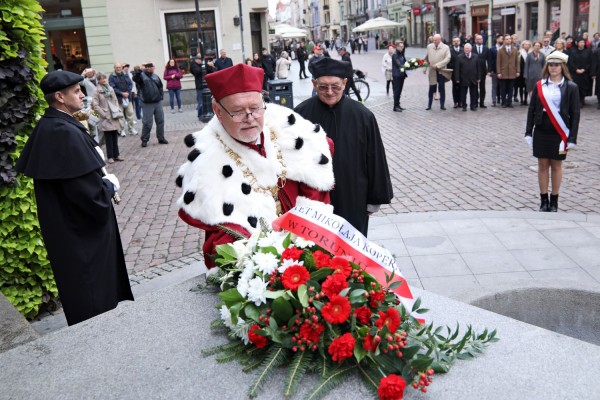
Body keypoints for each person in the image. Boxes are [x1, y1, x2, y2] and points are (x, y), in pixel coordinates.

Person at [175, 63, 334, 267]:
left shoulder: (290, 132)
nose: (250, 119)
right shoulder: (207, 164)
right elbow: (222, 241)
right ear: (218, 111)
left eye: (255, 108)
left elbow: (315, 189)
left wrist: (308, 231)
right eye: (238, 111)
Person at [15, 70, 134, 326]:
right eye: (76, 92)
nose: (83, 95)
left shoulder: (55, 125)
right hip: (80, 235)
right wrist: (109, 186)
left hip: (69, 231)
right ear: (59, 96)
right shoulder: (62, 132)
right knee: (92, 299)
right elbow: (89, 197)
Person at [295, 57, 394, 235]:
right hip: (312, 199)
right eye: (323, 87)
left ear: (345, 83)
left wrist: (375, 198)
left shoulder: (363, 116)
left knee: (352, 254)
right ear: (313, 84)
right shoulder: (300, 114)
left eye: (336, 86)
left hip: (353, 196)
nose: (330, 92)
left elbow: (375, 158)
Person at [524, 51, 580, 212]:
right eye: (551, 64)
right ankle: (543, 200)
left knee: (556, 165)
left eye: (557, 65)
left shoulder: (571, 87)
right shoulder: (539, 85)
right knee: (542, 165)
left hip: (560, 132)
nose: (553, 67)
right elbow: (532, 109)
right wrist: (528, 131)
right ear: (547, 66)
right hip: (542, 130)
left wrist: (572, 138)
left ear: (562, 67)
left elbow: (575, 114)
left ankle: (554, 200)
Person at [132, 62, 167, 147]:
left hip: (157, 101)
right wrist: (140, 70)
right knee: (147, 122)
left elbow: (160, 86)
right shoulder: (141, 75)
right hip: (147, 102)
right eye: (147, 67)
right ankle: (144, 139)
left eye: (150, 67)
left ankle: (161, 138)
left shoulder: (155, 76)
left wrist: (161, 96)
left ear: (153, 68)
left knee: (160, 121)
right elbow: (135, 78)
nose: (149, 68)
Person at [92, 72, 124, 163]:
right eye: (102, 78)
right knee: (108, 137)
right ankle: (110, 156)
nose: (104, 80)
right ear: (98, 80)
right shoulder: (96, 90)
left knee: (115, 135)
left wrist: (117, 109)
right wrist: (103, 114)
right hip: (106, 116)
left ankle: (116, 155)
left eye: (105, 78)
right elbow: (95, 105)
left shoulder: (110, 88)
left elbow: (115, 100)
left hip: (114, 114)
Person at [424, 34, 451, 110]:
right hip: (432, 71)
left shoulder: (445, 47)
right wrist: (424, 69)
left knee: (441, 88)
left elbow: (448, 58)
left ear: (439, 40)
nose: (434, 41)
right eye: (433, 40)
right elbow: (426, 58)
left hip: (441, 71)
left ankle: (442, 105)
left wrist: (439, 65)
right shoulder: (429, 47)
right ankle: (429, 105)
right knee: (431, 88)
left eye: (435, 40)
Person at [108, 63, 136, 136]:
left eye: (119, 67)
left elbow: (130, 84)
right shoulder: (112, 76)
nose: (118, 68)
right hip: (118, 98)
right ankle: (122, 130)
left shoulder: (125, 74)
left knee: (130, 113)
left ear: (121, 67)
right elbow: (112, 87)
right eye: (116, 67)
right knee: (120, 116)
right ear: (114, 68)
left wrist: (127, 92)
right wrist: (121, 93)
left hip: (127, 97)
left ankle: (131, 129)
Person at [568, 38, 593, 106]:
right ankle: (577, 101)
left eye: (583, 42)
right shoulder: (572, 51)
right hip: (575, 73)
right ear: (577, 43)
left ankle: (582, 99)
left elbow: (590, 62)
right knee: (576, 86)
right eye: (580, 42)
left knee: (584, 87)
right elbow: (570, 62)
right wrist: (576, 69)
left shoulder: (588, 51)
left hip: (585, 73)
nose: (582, 44)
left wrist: (584, 69)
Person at [497, 34, 520, 108]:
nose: (508, 40)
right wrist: (499, 72)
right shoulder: (500, 50)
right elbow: (498, 62)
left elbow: (517, 61)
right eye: (506, 39)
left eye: (509, 39)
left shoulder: (515, 49)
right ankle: (503, 102)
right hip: (503, 72)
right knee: (503, 89)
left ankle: (509, 102)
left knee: (511, 88)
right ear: (503, 40)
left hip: (512, 72)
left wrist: (518, 71)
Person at [455, 43, 480, 111]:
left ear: (471, 49)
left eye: (468, 48)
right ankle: (464, 106)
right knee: (463, 94)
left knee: (473, 94)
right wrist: (457, 78)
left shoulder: (476, 56)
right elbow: (457, 69)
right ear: (464, 49)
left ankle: (473, 106)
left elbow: (478, 68)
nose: (467, 50)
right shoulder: (459, 57)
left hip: (473, 78)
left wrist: (478, 78)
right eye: (465, 48)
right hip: (463, 78)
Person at [473, 34, 489, 108]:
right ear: (475, 40)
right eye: (478, 39)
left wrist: (489, 70)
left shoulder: (486, 49)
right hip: (474, 70)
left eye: (481, 39)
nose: (479, 40)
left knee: (482, 87)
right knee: (475, 87)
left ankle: (482, 102)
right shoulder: (472, 48)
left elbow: (489, 60)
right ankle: (475, 101)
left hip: (483, 71)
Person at [391, 41, 408, 112]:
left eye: (403, 46)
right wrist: (405, 66)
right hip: (396, 76)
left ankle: (398, 105)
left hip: (401, 75)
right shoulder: (395, 55)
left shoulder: (401, 54)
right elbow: (398, 64)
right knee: (396, 91)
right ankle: (395, 106)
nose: (402, 48)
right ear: (397, 47)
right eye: (401, 46)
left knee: (399, 91)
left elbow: (404, 62)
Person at [489, 35, 503, 107]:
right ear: (497, 39)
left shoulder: (504, 49)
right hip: (494, 70)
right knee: (494, 86)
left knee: (502, 86)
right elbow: (490, 60)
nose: (502, 40)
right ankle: (494, 100)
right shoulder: (492, 49)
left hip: (503, 70)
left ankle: (501, 98)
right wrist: (490, 70)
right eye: (501, 39)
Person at [516, 40, 532, 105]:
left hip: (529, 72)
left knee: (526, 87)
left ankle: (525, 99)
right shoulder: (520, 53)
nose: (527, 46)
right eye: (525, 44)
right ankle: (521, 99)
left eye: (528, 44)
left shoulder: (531, 53)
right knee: (521, 86)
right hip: (521, 71)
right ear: (523, 45)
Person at [449, 37, 463, 108]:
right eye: (454, 41)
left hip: (462, 72)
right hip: (454, 72)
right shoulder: (450, 51)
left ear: (459, 42)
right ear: (452, 43)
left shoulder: (463, 50)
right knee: (454, 87)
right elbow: (448, 62)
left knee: (461, 87)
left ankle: (460, 101)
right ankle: (455, 102)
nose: (456, 42)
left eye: (457, 41)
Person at [190, 54, 204, 121]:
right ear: (196, 60)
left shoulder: (199, 65)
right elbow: (196, 71)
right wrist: (204, 67)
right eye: (199, 59)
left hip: (205, 86)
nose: (201, 61)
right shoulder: (194, 65)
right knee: (200, 102)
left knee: (205, 102)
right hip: (199, 85)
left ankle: (203, 113)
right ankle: (200, 115)